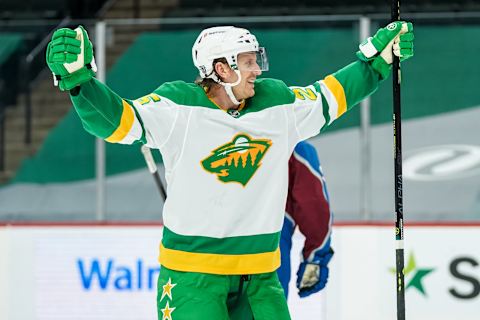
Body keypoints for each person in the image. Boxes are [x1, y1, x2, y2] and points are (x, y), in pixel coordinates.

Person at [46, 22, 414, 320]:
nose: (257, 69)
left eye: (256, 60)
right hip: (192, 280)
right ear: (221, 68)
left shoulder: (277, 103)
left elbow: (330, 96)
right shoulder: (176, 106)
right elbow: (120, 122)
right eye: (249, 61)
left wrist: (376, 64)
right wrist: (81, 84)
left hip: (260, 278)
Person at [279, 140, 333, 299]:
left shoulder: (207, 134)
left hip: (208, 260)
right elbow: (315, 207)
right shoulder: (290, 143)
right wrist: (314, 260)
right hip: (266, 263)